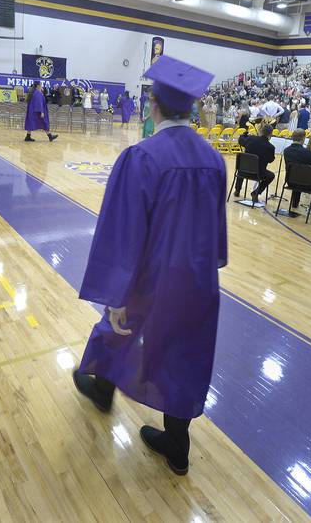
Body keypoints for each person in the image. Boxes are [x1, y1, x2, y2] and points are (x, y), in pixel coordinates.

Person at [72, 55, 226, 477]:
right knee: (187, 351)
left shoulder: (142, 157)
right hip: (197, 279)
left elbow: (121, 231)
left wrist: (115, 292)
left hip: (151, 275)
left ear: (152, 104)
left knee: (118, 327)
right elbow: (216, 226)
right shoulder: (214, 159)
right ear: (192, 107)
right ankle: (178, 445)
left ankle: (102, 388)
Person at [233, 124, 276, 203]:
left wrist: (244, 134)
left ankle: (237, 190)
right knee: (271, 176)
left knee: (243, 165)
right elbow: (271, 160)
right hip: (258, 174)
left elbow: (241, 140)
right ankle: (256, 192)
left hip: (243, 171)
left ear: (261, 131)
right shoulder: (270, 147)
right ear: (270, 134)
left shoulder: (251, 139)